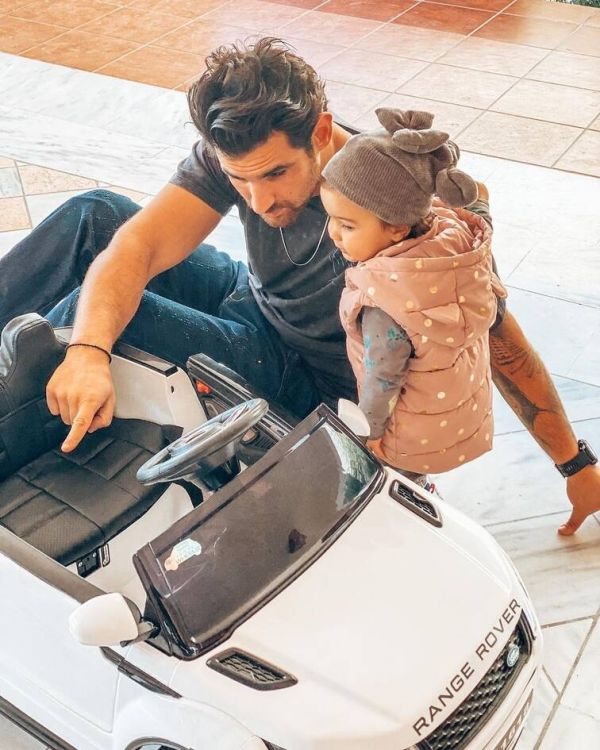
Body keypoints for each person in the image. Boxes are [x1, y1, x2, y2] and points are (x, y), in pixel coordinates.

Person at [0, 38, 597, 534]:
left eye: (276, 175)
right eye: (240, 180)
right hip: (253, 301)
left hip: (303, 375)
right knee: (96, 215)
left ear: (322, 131)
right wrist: (87, 351)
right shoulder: (245, 153)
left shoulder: (396, 205)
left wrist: (576, 464)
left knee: (86, 315)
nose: (259, 201)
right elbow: (140, 246)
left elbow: (500, 342)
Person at [320, 107, 505, 485]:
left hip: (409, 437)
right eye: (331, 219)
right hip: (457, 415)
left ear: (396, 228)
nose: (333, 233)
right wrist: (481, 203)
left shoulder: (385, 301)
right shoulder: (454, 238)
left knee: (391, 480)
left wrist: (367, 436)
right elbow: (480, 216)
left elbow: (382, 381)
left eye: (347, 225)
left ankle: (416, 489)